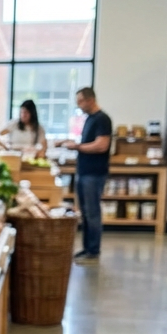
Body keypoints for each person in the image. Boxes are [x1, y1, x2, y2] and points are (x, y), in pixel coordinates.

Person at [64, 87, 111, 265]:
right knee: (85, 212)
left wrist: (76, 147)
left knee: (92, 212)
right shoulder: (90, 119)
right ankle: (87, 248)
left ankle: (93, 250)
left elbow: (101, 145)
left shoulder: (102, 119)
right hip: (84, 172)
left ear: (90, 100)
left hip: (94, 173)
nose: (79, 105)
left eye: (80, 101)